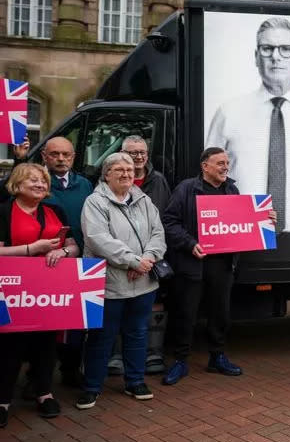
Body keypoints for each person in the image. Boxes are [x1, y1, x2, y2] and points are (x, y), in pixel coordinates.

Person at [206, 17, 290, 260]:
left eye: (286, 49)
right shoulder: (229, 112)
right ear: (256, 56)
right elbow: (208, 178)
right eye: (267, 48)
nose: (276, 56)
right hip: (240, 236)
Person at [162, 148, 275, 385]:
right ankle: (181, 360)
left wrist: (265, 218)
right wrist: (189, 244)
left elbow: (242, 223)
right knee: (186, 313)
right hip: (192, 263)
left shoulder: (231, 190)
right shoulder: (186, 189)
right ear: (205, 166)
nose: (226, 167)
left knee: (220, 313)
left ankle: (217, 356)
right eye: (220, 163)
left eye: (227, 163)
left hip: (222, 265)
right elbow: (169, 222)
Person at [75, 153, 166, 410]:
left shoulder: (144, 200)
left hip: (143, 283)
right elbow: (97, 239)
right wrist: (133, 261)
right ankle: (92, 387)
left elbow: (158, 233)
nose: (126, 173)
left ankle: (134, 381)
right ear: (106, 174)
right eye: (119, 169)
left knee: (137, 334)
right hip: (109, 284)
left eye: (129, 169)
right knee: (101, 337)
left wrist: (147, 258)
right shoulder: (95, 202)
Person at [0, 164, 80, 427]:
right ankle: (3, 400)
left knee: (46, 343)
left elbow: (73, 245)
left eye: (43, 181)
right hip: (13, 290)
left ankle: (44, 393)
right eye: (32, 180)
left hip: (48, 290)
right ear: (17, 184)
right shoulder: (3, 211)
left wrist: (64, 252)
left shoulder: (54, 210)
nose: (39, 184)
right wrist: (31, 248)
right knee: (9, 345)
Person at [107, 136, 173, 376]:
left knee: (153, 303)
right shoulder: (110, 179)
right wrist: (130, 260)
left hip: (151, 257)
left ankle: (152, 354)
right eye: (132, 152)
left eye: (142, 152)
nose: (138, 157)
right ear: (122, 153)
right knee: (117, 305)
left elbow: (163, 221)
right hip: (119, 259)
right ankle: (116, 355)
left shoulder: (158, 180)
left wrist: (147, 258)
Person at [41, 137, 94, 387]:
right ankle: (36, 378)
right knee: (43, 323)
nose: (60, 159)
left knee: (75, 323)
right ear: (44, 156)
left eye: (65, 155)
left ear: (73, 157)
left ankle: (71, 371)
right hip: (42, 265)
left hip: (78, 261)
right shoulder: (36, 182)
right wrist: (19, 158)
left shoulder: (84, 185)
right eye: (55, 154)